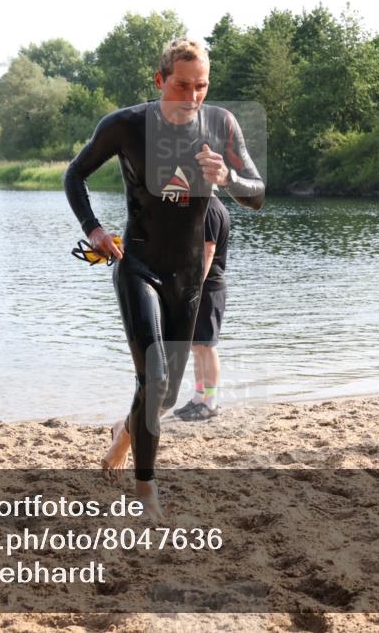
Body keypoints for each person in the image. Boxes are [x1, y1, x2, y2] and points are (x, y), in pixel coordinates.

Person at [63, 38, 265, 517]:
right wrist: (92, 229)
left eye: (202, 86)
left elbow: (256, 194)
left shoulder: (221, 125)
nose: (192, 96)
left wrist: (228, 180)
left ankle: (123, 434)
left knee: (167, 395)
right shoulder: (125, 125)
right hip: (139, 265)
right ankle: (147, 490)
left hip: (189, 277)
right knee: (152, 377)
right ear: (160, 81)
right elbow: (75, 175)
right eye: (181, 85)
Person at [174, 194, 230, 421]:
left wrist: (196, 285)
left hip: (209, 288)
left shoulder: (210, 208)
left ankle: (211, 402)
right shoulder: (204, 205)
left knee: (207, 346)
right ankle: (199, 397)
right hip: (201, 287)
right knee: (196, 347)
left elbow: (209, 250)